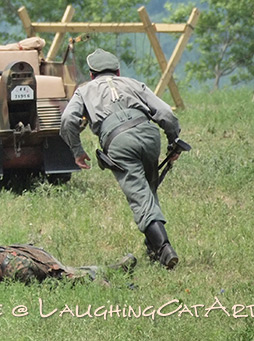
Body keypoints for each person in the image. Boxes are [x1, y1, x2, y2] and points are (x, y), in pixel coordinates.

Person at [60, 48, 183, 269]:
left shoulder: (84, 90)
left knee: (140, 197)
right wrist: (173, 142)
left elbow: (68, 119)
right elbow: (166, 113)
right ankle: (153, 249)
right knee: (148, 190)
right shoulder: (133, 83)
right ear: (117, 71)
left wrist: (77, 151)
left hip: (118, 141)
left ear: (91, 74)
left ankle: (165, 249)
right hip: (148, 133)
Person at [0, 244, 136, 287]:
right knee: (72, 271)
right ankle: (113, 269)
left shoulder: (15, 268)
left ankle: (110, 280)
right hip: (31, 254)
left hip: (39, 264)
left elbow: (41, 285)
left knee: (67, 278)